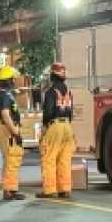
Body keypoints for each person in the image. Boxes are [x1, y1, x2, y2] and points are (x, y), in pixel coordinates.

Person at [38, 64, 77, 199]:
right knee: (64, 159)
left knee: (49, 157)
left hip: (55, 126)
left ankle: (49, 190)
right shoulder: (68, 92)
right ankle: (64, 189)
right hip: (67, 126)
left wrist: (44, 128)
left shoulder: (51, 92)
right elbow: (71, 113)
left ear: (52, 75)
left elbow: (48, 112)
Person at [0, 67, 25, 201]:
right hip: (8, 130)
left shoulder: (6, 94)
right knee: (11, 159)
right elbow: (6, 115)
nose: (14, 81)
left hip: (8, 129)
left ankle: (10, 189)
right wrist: (15, 132)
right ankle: (9, 191)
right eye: (13, 79)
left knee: (10, 160)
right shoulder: (4, 95)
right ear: (8, 80)